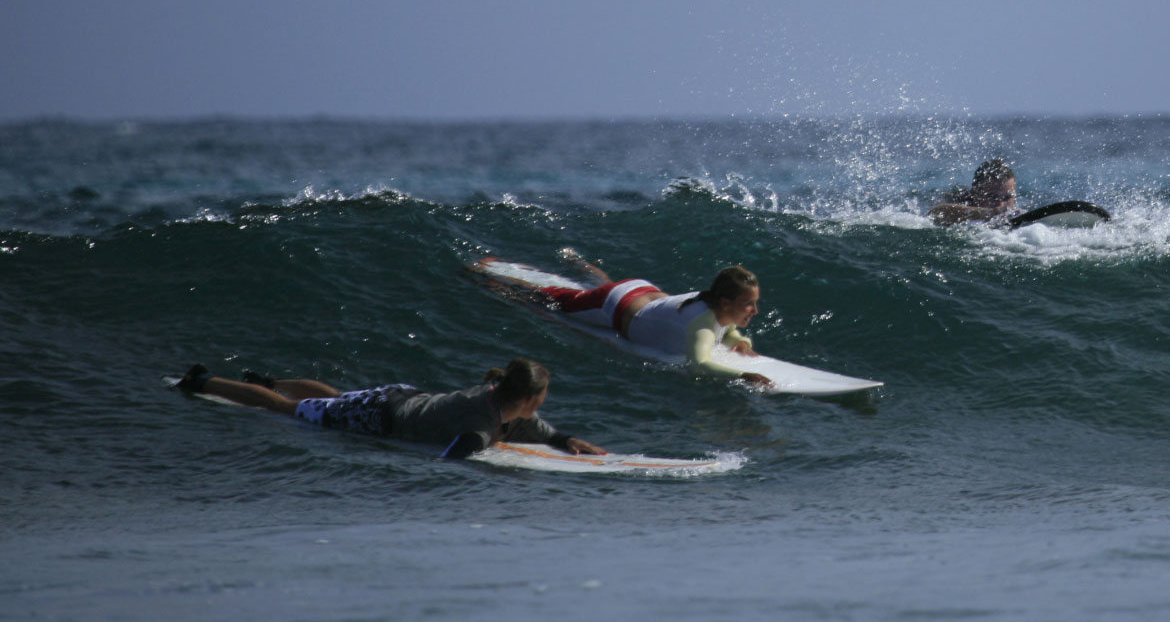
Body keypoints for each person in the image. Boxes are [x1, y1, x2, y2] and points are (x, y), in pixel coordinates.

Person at [174, 357, 606, 460]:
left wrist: (563, 440)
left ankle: (269, 380)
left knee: (338, 399)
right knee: (289, 411)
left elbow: (529, 426)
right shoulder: (481, 422)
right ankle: (205, 381)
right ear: (530, 398)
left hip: (399, 397)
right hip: (381, 416)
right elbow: (458, 453)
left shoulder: (496, 394)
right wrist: (489, 451)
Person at [533, 252, 775, 388]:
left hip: (640, 289)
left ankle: (576, 261)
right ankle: (498, 279)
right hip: (614, 305)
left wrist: (736, 339)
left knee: (604, 284)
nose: (754, 310)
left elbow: (728, 327)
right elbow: (700, 364)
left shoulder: (714, 303)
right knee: (542, 297)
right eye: (748, 304)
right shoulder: (702, 326)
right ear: (725, 303)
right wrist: (742, 376)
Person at [928, 159, 1018, 226]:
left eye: (1007, 198)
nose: (1000, 204)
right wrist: (989, 213)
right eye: (992, 197)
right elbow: (933, 213)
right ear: (975, 194)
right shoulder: (958, 200)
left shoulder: (1014, 212)